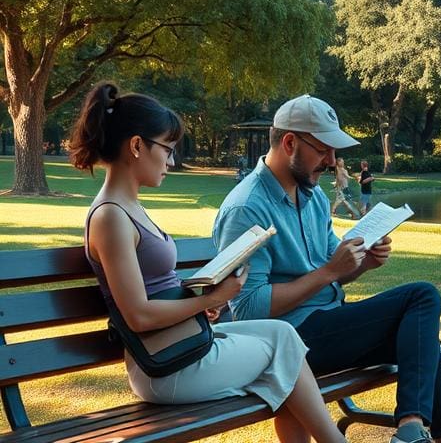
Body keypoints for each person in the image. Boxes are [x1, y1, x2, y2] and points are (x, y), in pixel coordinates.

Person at [213, 95, 441, 443]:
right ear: (290, 142)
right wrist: (328, 272)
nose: (331, 161)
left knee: (419, 335)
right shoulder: (247, 207)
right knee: (421, 296)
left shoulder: (311, 196)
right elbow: (248, 309)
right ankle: (414, 431)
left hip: (327, 324)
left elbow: (333, 269)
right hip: (289, 342)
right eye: (323, 149)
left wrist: (361, 264)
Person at [70, 82, 345, 443]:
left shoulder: (129, 209)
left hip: (181, 347)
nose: (170, 160)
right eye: (167, 149)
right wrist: (209, 300)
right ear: (137, 146)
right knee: (284, 348)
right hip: (165, 368)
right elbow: (138, 315)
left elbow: (153, 290)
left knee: (285, 336)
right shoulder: (111, 217)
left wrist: (199, 300)